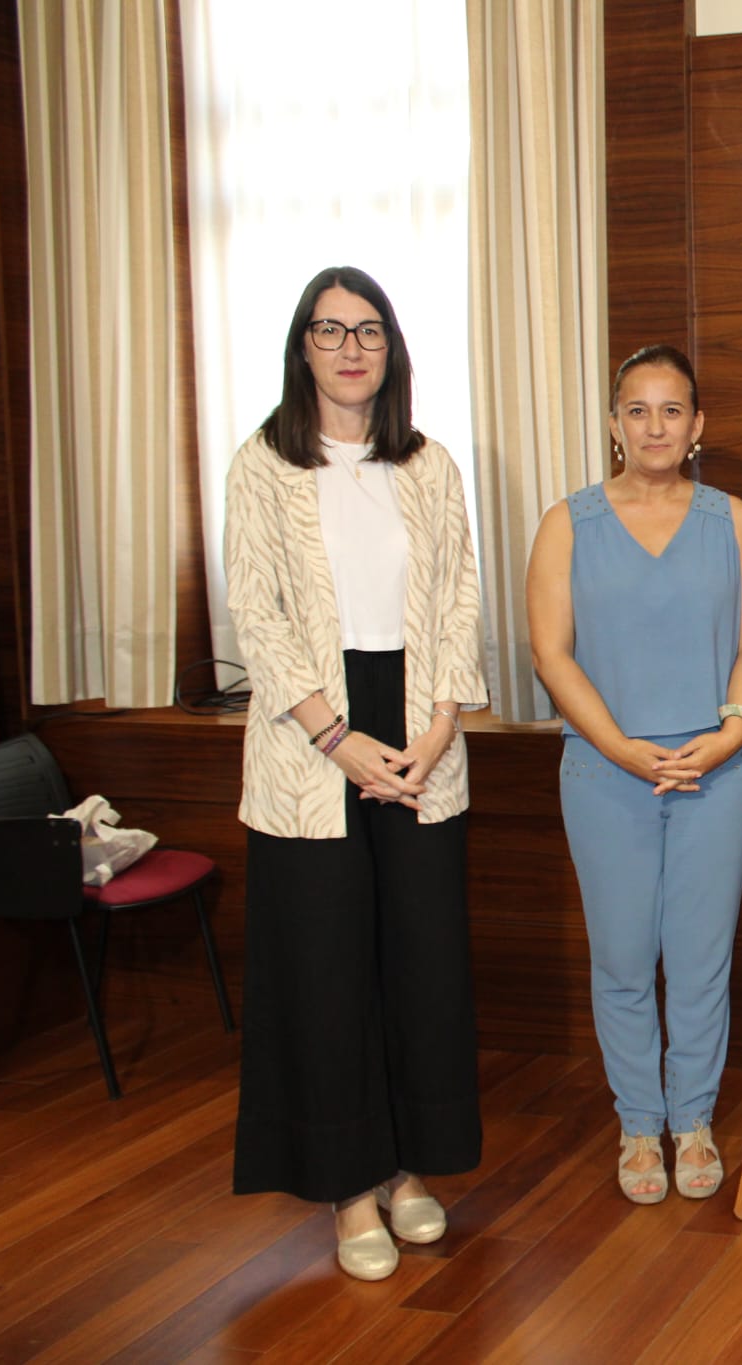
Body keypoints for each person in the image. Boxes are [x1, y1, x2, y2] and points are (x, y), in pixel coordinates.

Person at [227, 266, 487, 1282]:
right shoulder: (262, 464)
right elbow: (257, 615)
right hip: (311, 740)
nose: (350, 349)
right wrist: (337, 740)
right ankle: (347, 1187)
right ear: (303, 346)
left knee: (419, 961)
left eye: (368, 331)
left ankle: (408, 1167)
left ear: (392, 349)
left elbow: (459, 598)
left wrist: (438, 728)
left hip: (418, 730)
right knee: (328, 970)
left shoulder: (428, 463)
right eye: (330, 331)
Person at [526, 344, 742, 1204]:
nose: (655, 426)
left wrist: (731, 732)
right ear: (614, 423)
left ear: (697, 424)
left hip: (717, 770)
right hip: (607, 770)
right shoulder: (567, 523)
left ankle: (692, 1119)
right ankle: (639, 1124)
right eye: (638, 409)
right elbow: (551, 653)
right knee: (624, 957)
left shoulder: (730, 519)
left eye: (673, 410)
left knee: (700, 957)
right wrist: (620, 746)